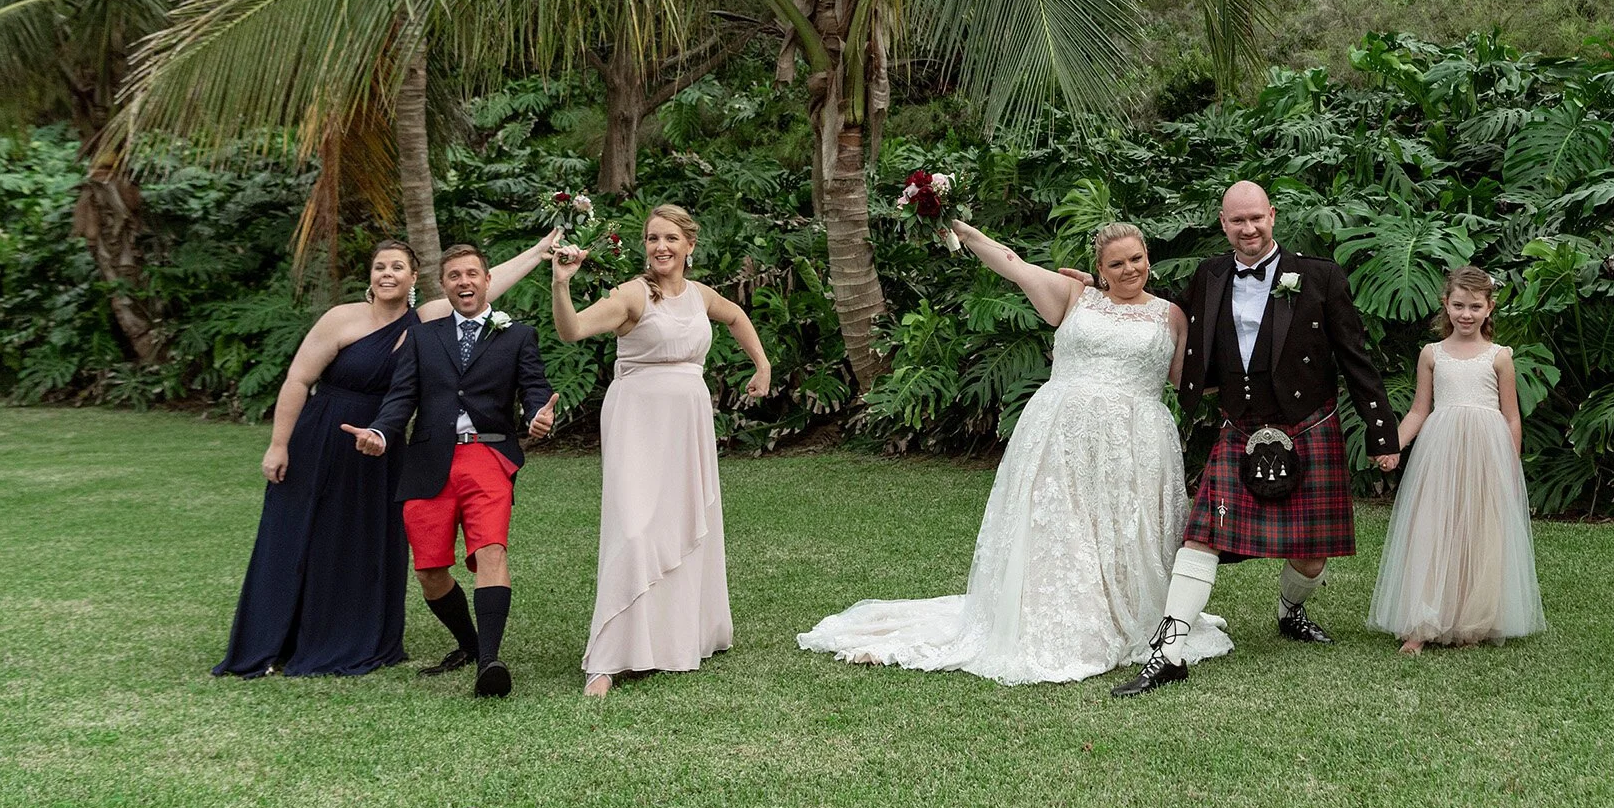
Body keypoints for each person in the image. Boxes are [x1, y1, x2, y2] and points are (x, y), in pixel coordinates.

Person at [799, 220, 1231, 684]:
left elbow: (1186, 380)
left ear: (1148, 255)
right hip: (1061, 432)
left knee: (1126, 530)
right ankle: (1062, 621)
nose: (1130, 270)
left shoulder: (1170, 316)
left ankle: (1132, 614)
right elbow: (1013, 264)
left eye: (1137, 259)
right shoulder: (1073, 296)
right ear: (1099, 269)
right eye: (1117, 263)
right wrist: (964, 229)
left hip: (1137, 441)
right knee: (1064, 528)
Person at [216, 232, 554, 679]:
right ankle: (276, 639)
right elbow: (298, 380)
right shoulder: (341, 319)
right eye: (380, 267)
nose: (388, 274)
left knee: (366, 542)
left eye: (397, 267)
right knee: (300, 535)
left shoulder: (425, 320)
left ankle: (355, 635)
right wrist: (279, 444)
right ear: (371, 278)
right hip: (324, 437)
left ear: (414, 278)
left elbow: (484, 283)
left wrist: (540, 250)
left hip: (384, 445)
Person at [1112, 180, 1398, 697]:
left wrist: (1382, 434)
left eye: (1256, 219)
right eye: (1236, 221)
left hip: (1307, 425)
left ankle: (1291, 610)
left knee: (1311, 557)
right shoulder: (1210, 274)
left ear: (1272, 216)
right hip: (1238, 426)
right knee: (1199, 537)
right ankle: (1169, 652)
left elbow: (1356, 358)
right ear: (1223, 224)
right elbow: (1155, 310)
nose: (1248, 229)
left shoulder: (1319, 276)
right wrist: (1094, 293)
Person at [553, 204, 771, 698]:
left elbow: (735, 315)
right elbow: (572, 331)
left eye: (670, 238)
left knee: (680, 522)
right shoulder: (632, 295)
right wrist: (561, 284)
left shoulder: (699, 296)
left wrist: (762, 365)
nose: (661, 247)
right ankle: (608, 657)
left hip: (687, 420)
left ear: (690, 245)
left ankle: (677, 640)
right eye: (653, 238)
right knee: (633, 530)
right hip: (637, 419)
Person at [346, 242, 556, 698]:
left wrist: (540, 414)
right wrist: (381, 434)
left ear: (486, 281)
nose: (464, 282)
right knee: (430, 570)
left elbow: (535, 387)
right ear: (443, 285)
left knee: (491, 551)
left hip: (488, 455)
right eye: (455, 276)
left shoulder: (517, 335)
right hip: (428, 459)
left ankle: (490, 662)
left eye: (472, 274)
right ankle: (470, 644)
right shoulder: (424, 337)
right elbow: (402, 396)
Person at [1368, 266, 1545, 653]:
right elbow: (1418, 410)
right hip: (1440, 452)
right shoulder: (1432, 354)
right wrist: (1392, 445)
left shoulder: (1499, 357)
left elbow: (1512, 416)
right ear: (1445, 305)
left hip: (1486, 453)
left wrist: (1510, 467)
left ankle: (1470, 622)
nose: (1466, 314)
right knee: (1433, 529)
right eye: (1459, 305)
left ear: (1489, 308)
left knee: (1478, 532)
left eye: (1475, 307)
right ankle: (1421, 622)